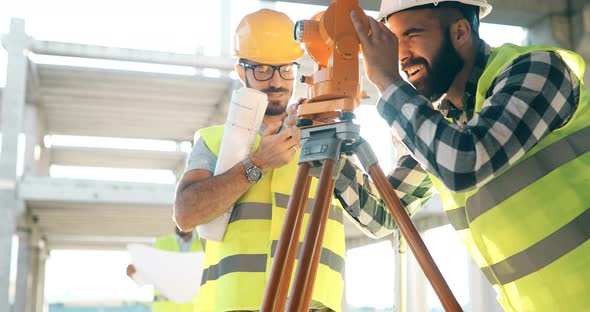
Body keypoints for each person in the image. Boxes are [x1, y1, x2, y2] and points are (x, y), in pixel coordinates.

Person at [343, 0, 590, 311]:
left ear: (460, 31)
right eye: (393, 40)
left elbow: (465, 162)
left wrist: (387, 82)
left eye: (412, 35)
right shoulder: (447, 125)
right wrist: (328, 137)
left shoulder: (540, 69)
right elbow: (382, 216)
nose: (400, 55)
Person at [173, 9, 396, 312]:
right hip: (238, 304)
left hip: (314, 305)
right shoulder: (214, 141)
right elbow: (185, 214)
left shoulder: (322, 136)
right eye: (263, 70)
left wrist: (326, 131)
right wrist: (258, 163)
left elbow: (376, 219)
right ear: (242, 71)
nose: (276, 81)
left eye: (284, 69)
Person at [126, 227, 204, 312]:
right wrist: (135, 272)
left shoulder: (205, 245)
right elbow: (147, 272)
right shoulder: (161, 243)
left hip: (195, 308)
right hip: (164, 308)